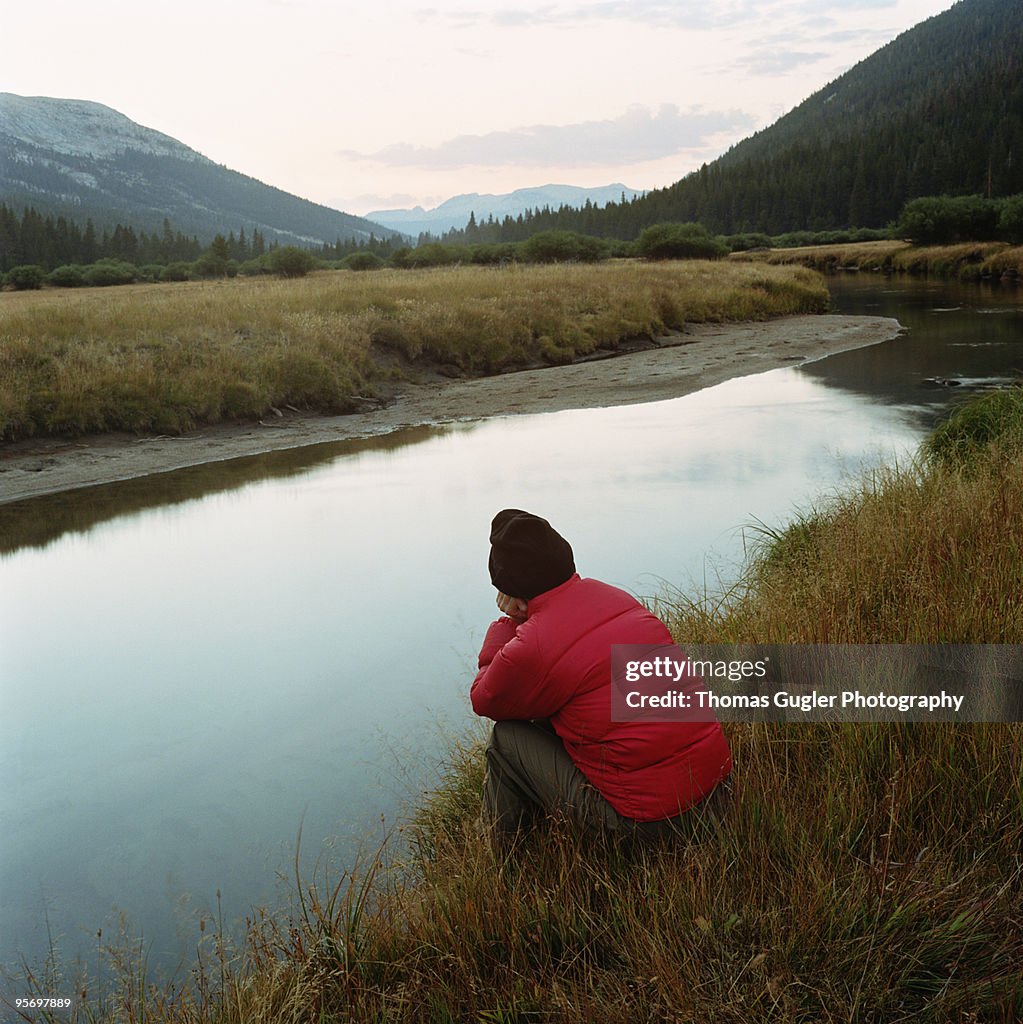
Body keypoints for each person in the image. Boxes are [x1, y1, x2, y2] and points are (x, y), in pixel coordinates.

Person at [471, 508, 733, 844]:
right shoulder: (614, 597)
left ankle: (506, 862)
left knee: (507, 739)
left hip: (649, 826)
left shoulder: (535, 641)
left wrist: (508, 624)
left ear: (510, 588)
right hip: (718, 794)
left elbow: (484, 697)